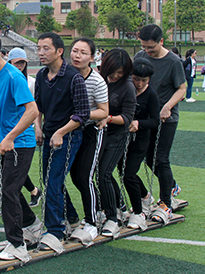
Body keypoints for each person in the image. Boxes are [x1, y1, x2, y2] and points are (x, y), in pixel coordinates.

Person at [0, 31, 40, 262]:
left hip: (19, 143)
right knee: (8, 190)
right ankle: (31, 224)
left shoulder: (14, 77)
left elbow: (32, 111)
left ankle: (17, 245)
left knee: (9, 191)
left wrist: (11, 137)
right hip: (2, 143)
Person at [34, 32, 89, 253]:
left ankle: (55, 230)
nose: (41, 53)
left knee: (53, 180)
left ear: (59, 51)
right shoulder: (40, 75)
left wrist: (61, 132)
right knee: (51, 181)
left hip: (68, 137)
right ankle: (73, 218)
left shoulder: (73, 77)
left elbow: (83, 114)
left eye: (45, 48)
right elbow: (37, 105)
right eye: (39, 48)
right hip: (48, 134)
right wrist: (38, 127)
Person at [135, 24, 186, 221]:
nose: (147, 51)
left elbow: (182, 88)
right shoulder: (140, 57)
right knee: (148, 159)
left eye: (151, 48)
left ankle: (166, 203)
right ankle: (171, 185)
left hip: (166, 117)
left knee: (161, 159)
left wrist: (168, 106)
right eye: (144, 47)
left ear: (161, 42)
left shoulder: (173, 62)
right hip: (146, 118)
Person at [65, 38, 109, 243]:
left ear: (92, 58)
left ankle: (92, 221)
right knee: (74, 177)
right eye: (74, 51)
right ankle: (97, 210)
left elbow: (104, 112)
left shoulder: (96, 80)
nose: (77, 55)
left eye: (83, 52)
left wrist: (80, 115)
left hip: (92, 131)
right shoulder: (65, 75)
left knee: (84, 177)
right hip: (71, 132)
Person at [95, 49, 136, 238]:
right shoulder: (100, 79)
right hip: (99, 133)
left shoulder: (127, 86)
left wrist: (108, 118)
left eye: (120, 72)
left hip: (117, 135)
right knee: (98, 173)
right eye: (113, 71)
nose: (116, 76)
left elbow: (127, 118)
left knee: (104, 173)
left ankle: (113, 217)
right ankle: (119, 205)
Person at [119, 58, 160, 230]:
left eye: (144, 80)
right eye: (136, 79)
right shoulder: (126, 89)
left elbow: (155, 121)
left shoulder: (151, 95)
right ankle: (145, 196)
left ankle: (139, 212)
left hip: (140, 140)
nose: (140, 83)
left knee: (129, 174)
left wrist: (139, 123)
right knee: (122, 172)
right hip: (122, 138)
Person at [7, 47, 42, 207]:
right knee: (13, 167)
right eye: (16, 62)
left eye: (22, 62)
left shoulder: (31, 82)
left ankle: (24, 211)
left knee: (16, 168)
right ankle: (34, 190)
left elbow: (34, 108)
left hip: (25, 130)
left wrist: (37, 127)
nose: (19, 65)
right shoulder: (5, 78)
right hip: (7, 128)